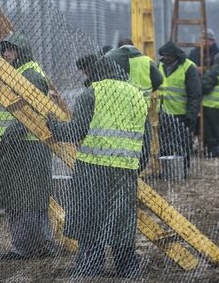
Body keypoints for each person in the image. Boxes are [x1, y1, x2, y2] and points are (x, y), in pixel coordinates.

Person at [47, 56, 150, 278]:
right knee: (121, 219)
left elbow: (75, 131)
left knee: (90, 217)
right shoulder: (137, 95)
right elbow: (146, 141)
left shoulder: (92, 93)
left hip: (92, 169)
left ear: (95, 73)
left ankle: (90, 265)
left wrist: (52, 125)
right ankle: (128, 269)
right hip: (124, 171)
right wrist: (134, 167)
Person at [0, 32, 55, 259]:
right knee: (31, 199)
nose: (6, 54)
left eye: (11, 50)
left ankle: (24, 248)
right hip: (21, 146)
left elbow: (32, 115)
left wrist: (9, 137)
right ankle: (44, 244)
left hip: (26, 147)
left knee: (22, 200)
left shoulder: (30, 75)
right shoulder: (18, 73)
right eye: (5, 50)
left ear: (22, 52)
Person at [156, 41, 202, 177]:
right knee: (164, 144)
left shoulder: (188, 68)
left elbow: (195, 94)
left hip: (182, 115)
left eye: (169, 56)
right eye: (164, 56)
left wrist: (191, 115)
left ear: (176, 56)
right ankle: (166, 171)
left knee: (184, 144)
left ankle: (183, 171)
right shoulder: (160, 66)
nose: (166, 59)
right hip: (164, 114)